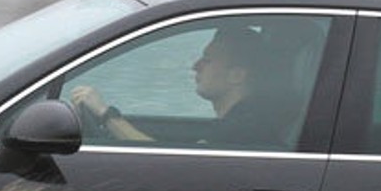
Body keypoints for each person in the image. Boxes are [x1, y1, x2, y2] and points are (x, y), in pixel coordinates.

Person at [69, 25, 300, 149]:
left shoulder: (244, 130)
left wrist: (106, 114)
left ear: (236, 75)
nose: (195, 66)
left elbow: (162, 163)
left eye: (207, 60)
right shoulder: (242, 121)